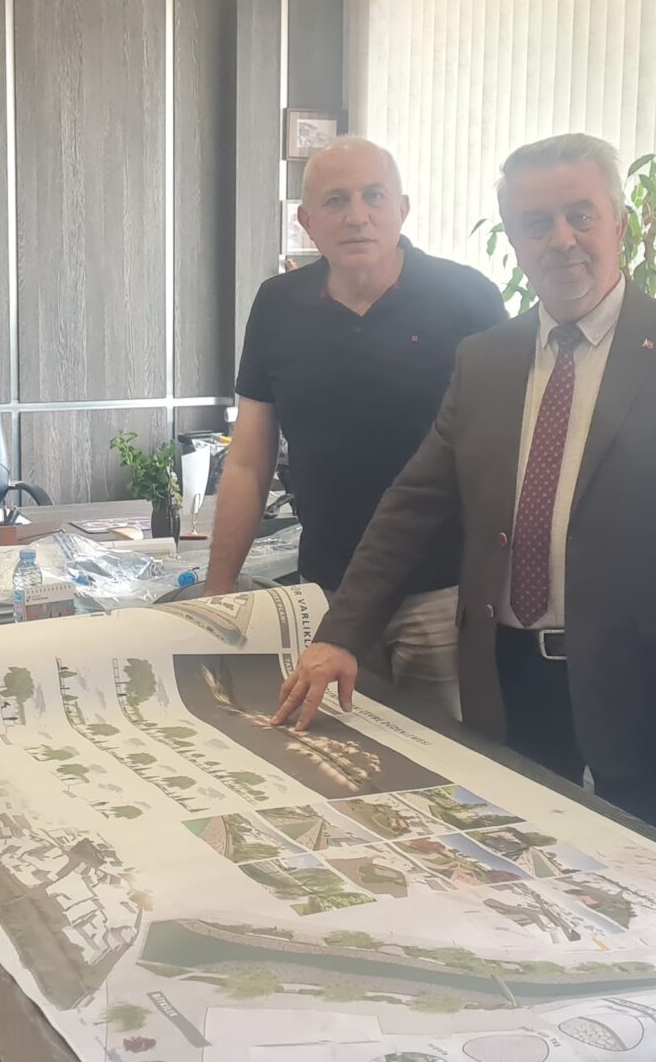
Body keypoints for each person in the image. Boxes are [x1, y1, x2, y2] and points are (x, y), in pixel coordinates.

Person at [275, 133, 656, 839]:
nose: (562, 240)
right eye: (536, 223)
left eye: (580, 215)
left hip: (644, 687)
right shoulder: (486, 358)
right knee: (514, 864)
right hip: (507, 675)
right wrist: (342, 633)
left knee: (645, 881)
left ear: (619, 223)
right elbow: (414, 504)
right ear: (515, 239)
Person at [204, 137, 504, 718]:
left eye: (374, 196)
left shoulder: (468, 298)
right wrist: (219, 592)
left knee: (449, 758)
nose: (357, 215)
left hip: (445, 594)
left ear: (403, 209)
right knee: (337, 753)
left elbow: (507, 454)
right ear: (307, 221)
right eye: (336, 200)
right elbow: (248, 460)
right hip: (328, 592)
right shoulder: (277, 304)